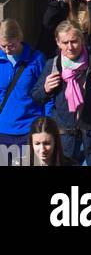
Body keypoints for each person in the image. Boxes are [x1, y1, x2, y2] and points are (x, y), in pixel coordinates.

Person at [32, 21, 91, 168]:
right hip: (64, 140)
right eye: (65, 42)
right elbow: (36, 96)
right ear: (58, 42)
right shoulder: (53, 65)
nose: (70, 47)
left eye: (74, 41)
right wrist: (45, 89)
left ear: (82, 40)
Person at [0, 19, 46, 159]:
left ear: (20, 38)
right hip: (3, 129)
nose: (7, 50)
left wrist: (47, 124)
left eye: (11, 45)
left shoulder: (37, 58)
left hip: (29, 128)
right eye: (3, 46)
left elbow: (47, 94)